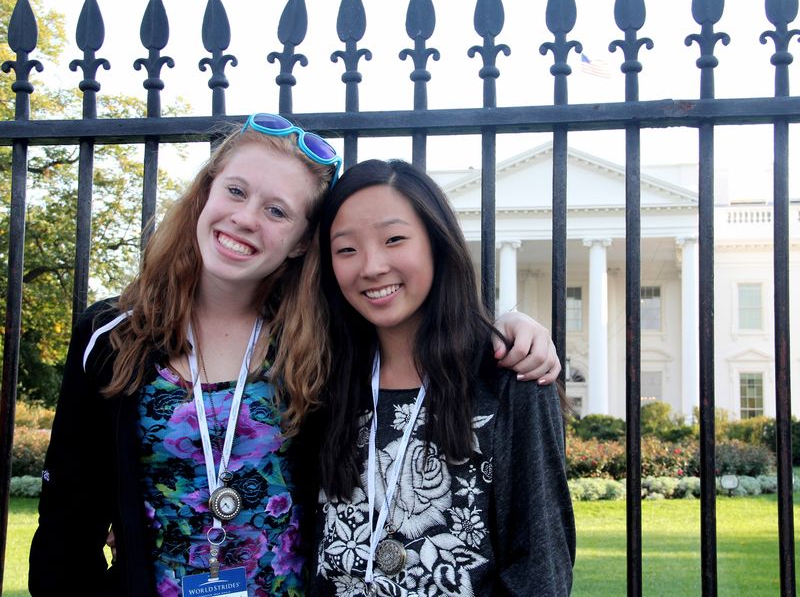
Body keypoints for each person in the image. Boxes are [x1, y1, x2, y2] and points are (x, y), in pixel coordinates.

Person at [28, 115, 561, 597]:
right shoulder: (114, 334)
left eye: (277, 210)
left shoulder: (320, 339)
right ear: (205, 194)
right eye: (235, 191)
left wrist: (510, 326)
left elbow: (411, 319)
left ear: (304, 242)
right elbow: (66, 528)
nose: (245, 218)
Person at [310, 159, 576, 596]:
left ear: (436, 242)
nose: (372, 266)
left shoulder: (508, 375)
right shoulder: (322, 377)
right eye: (346, 249)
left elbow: (540, 565)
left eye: (394, 239)